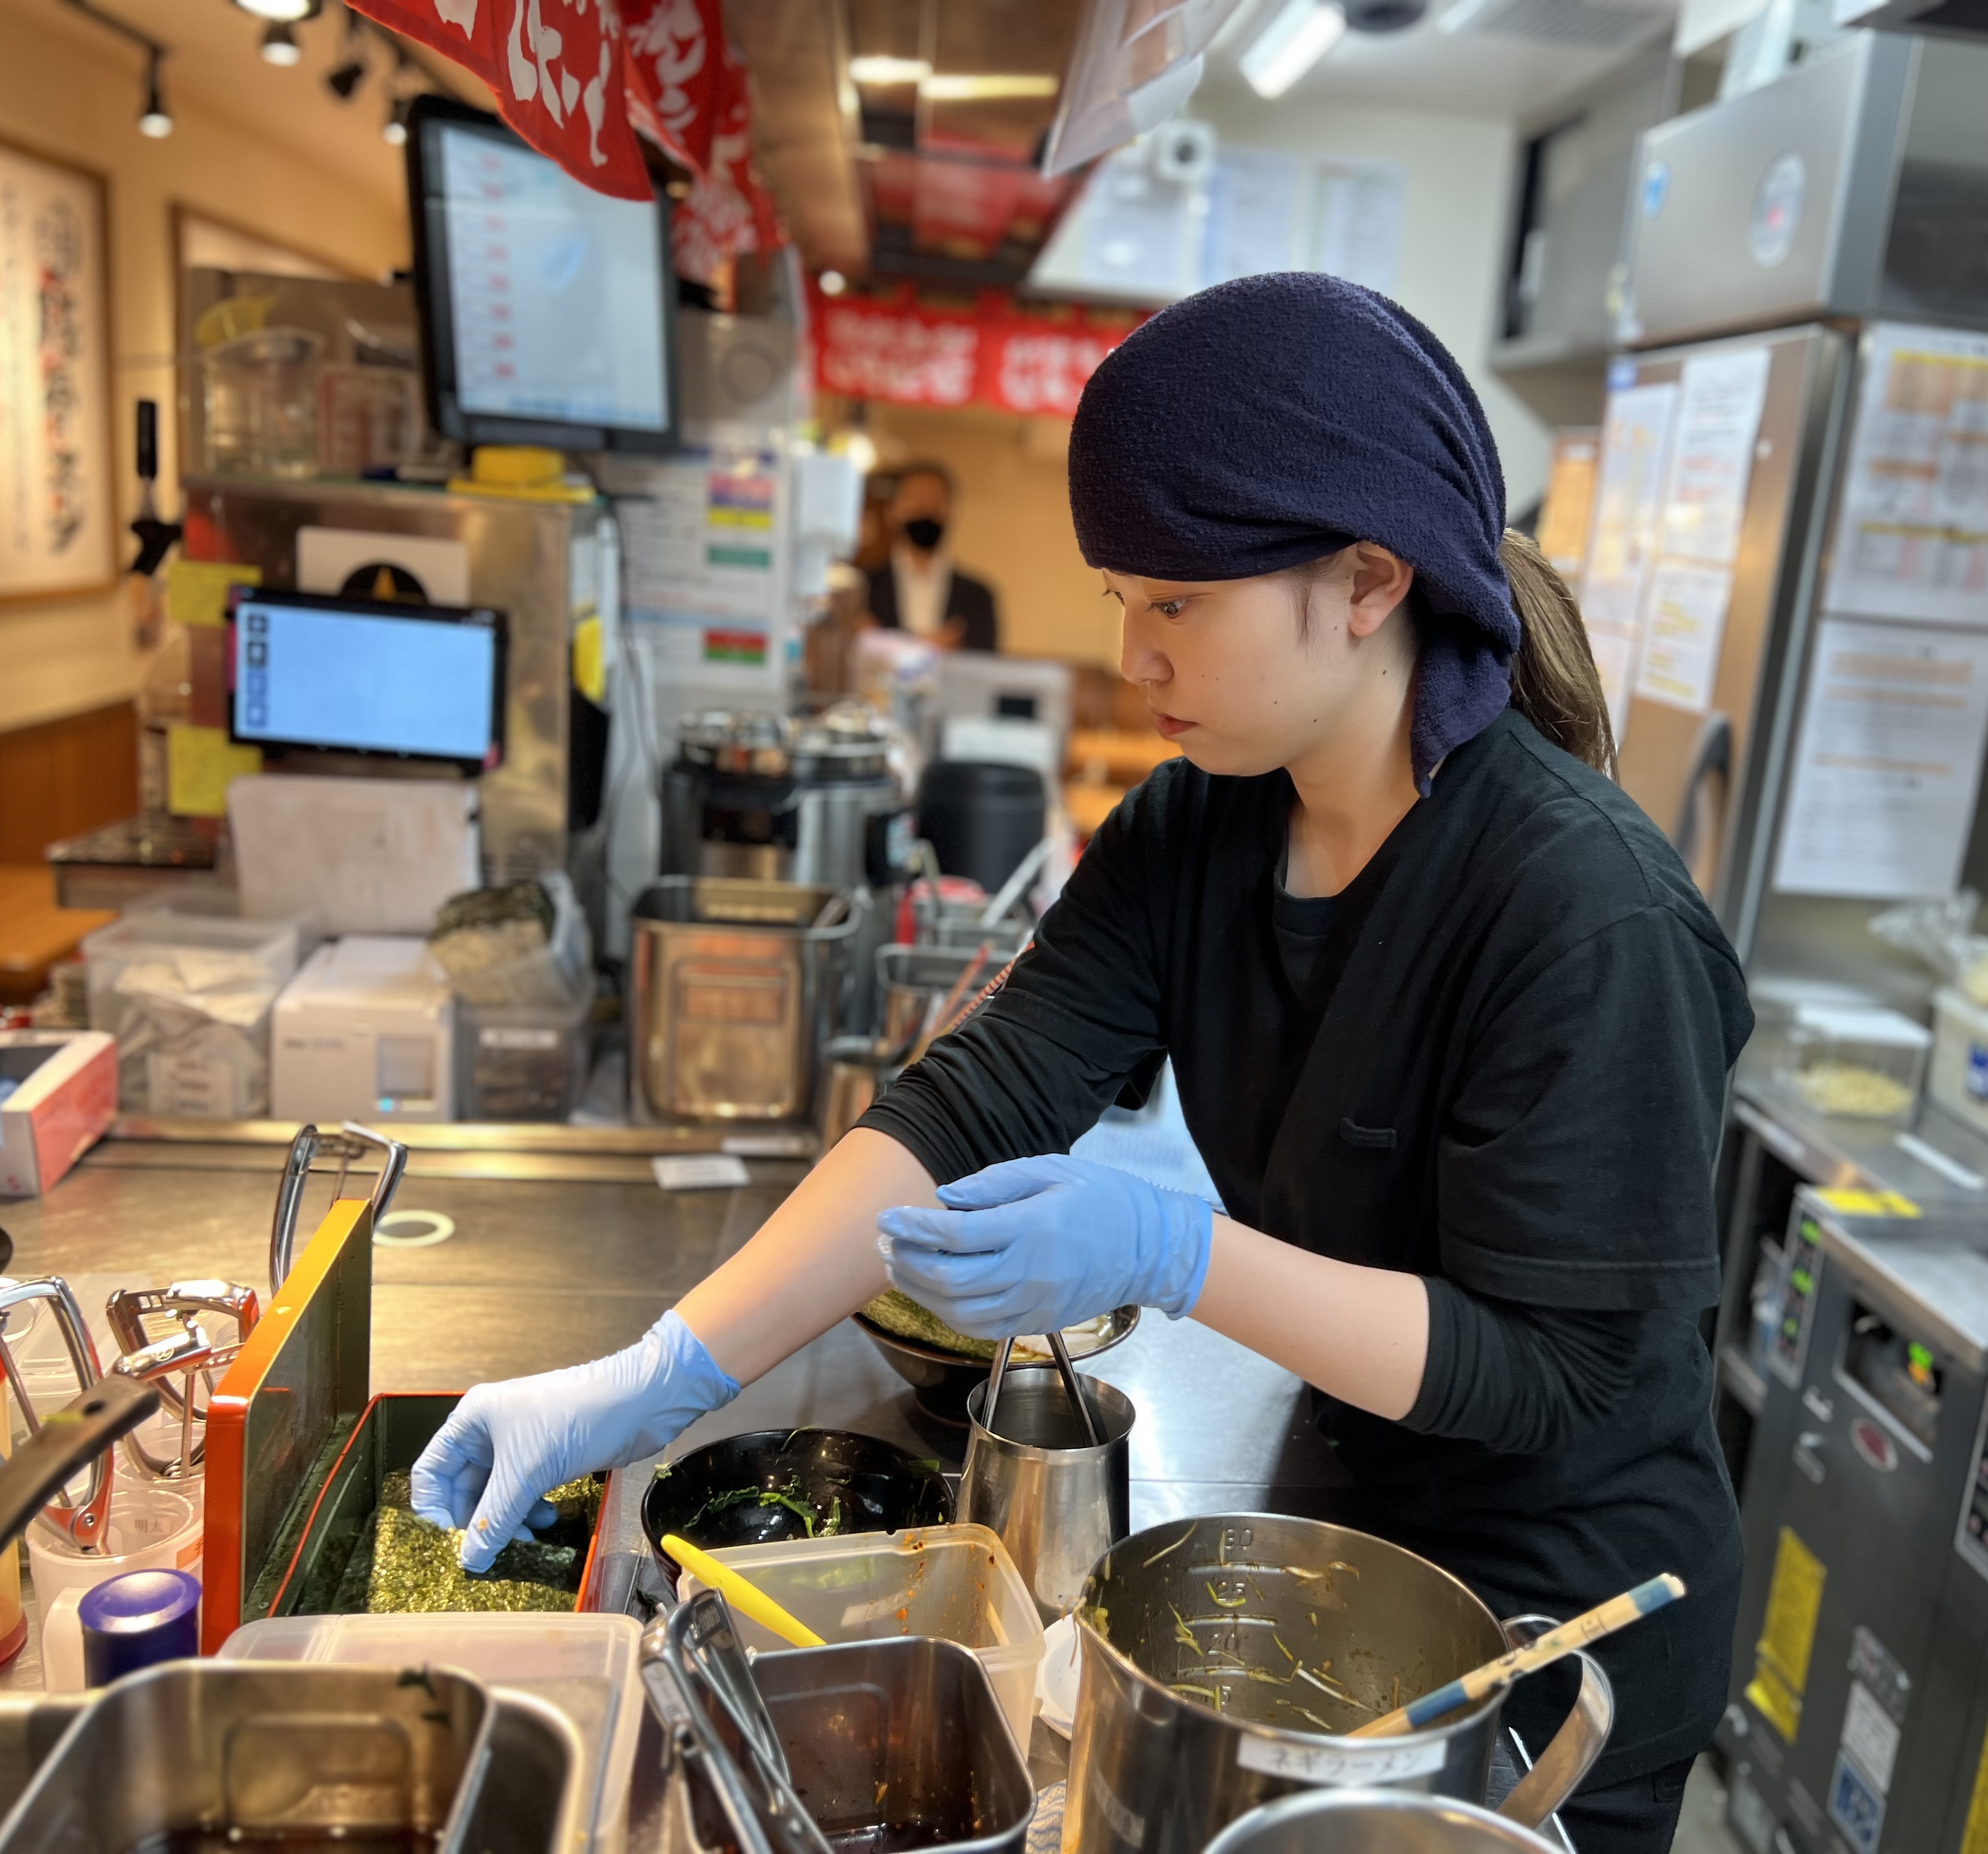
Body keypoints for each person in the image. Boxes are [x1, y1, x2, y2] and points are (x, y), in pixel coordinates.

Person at [413, 275, 1749, 1854]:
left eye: (1175, 604)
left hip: (1556, 1639)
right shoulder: (1202, 824)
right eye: (1120, 594)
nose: (1133, 655)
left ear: (1370, 581)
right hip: (1349, 1538)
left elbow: (1554, 1370)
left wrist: (1171, 1253)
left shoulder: (1580, 911)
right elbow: (974, 1102)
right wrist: (662, 1376)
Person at [865, 460, 1000, 650]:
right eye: (916, 498)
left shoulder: (978, 596)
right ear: (892, 512)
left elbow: (985, 664)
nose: (927, 508)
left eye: (936, 500)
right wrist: (926, 647)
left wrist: (885, 643)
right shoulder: (863, 588)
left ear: (951, 512)